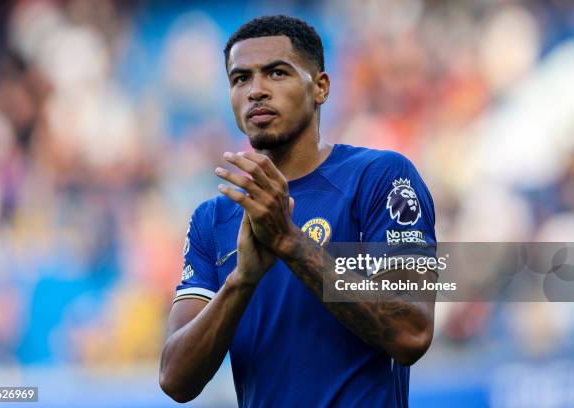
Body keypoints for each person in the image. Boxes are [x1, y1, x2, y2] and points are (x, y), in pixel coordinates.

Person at [159, 15, 437, 407]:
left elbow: (412, 332)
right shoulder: (212, 219)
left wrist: (290, 241)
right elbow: (175, 381)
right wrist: (242, 279)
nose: (256, 91)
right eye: (240, 79)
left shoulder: (380, 178)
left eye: (276, 73)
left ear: (320, 87)